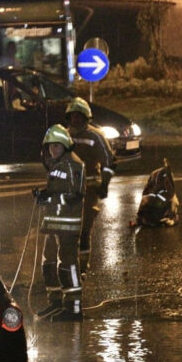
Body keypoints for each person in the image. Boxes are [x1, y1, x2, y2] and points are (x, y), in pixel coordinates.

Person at [34, 124, 86, 321]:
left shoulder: (73, 165)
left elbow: (73, 196)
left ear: (65, 145)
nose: (52, 150)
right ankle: (55, 302)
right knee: (48, 263)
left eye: (56, 146)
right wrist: (44, 194)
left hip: (67, 226)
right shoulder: (58, 164)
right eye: (49, 147)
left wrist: (48, 197)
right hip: (54, 224)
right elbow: (57, 190)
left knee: (68, 265)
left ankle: (73, 307)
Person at [64, 97, 116, 274]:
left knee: (83, 230)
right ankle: (67, 265)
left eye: (79, 116)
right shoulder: (64, 136)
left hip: (88, 191)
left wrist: (105, 184)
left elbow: (109, 161)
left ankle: (82, 267)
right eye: (73, 116)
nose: (76, 119)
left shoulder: (95, 136)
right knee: (67, 231)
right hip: (67, 192)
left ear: (86, 117)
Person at [131, 158, 179, 227]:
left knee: (174, 201)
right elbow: (146, 192)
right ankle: (142, 219)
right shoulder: (154, 175)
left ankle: (171, 218)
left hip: (163, 198)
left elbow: (171, 193)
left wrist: (172, 220)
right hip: (154, 198)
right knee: (145, 200)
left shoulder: (168, 176)